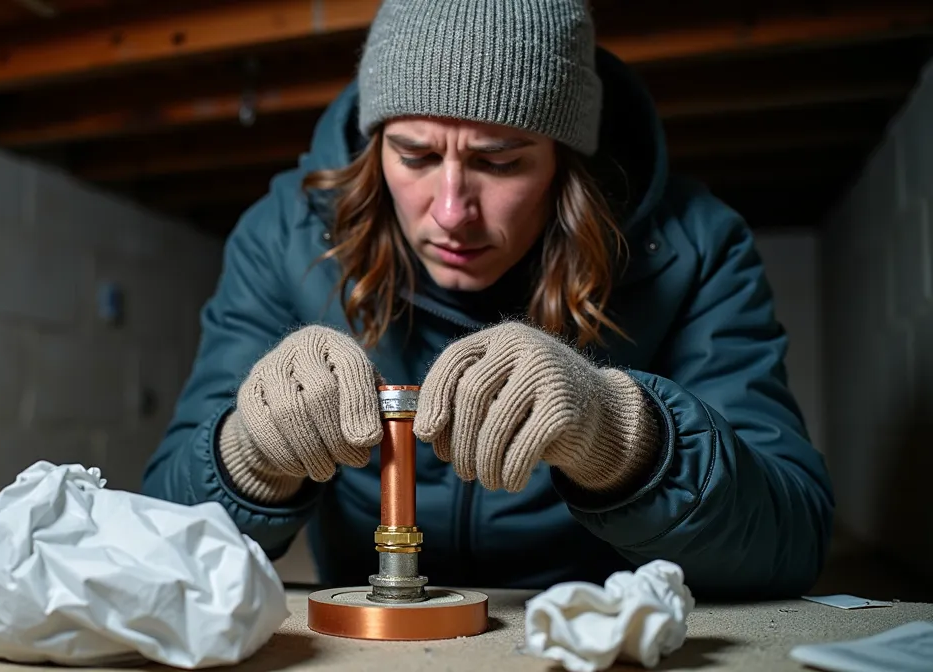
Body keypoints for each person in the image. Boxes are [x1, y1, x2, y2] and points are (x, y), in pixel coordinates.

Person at [141, 0, 834, 598]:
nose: (450, 211)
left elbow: (790, 543)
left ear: (567, 159)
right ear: (374, 142)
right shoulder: (281, 238)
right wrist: (248, 456)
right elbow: (154, 541)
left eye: (500, 162)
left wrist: (622, 436)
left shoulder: (696, 247)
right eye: (413, 156)